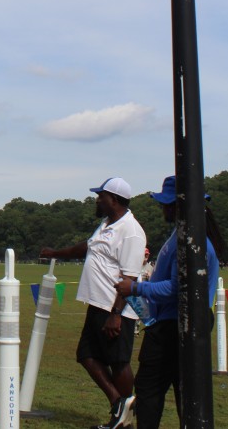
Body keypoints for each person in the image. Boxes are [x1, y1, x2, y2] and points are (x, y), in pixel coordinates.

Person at [115, 175, 223, 429]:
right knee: (183, 390)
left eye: (165, 204)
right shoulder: (185, 236)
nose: (162, 209)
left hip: (173, 325)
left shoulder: (190, 242)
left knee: (150, 388)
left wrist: (135, 288)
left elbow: (177, 289)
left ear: (177, 206)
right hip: (175, 323)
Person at [40, 177, 144, 429]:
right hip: (98, 304)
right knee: (86, 355)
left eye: (101, 196)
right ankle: (119, 404)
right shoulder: (106, 224)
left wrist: (116, 314)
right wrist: (56, 253)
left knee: (118, 362)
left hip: (116, 307)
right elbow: (86, 247)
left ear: (114, 200)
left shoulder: (131, 231)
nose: (97, 200)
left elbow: (129, 278)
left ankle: (123, 418)